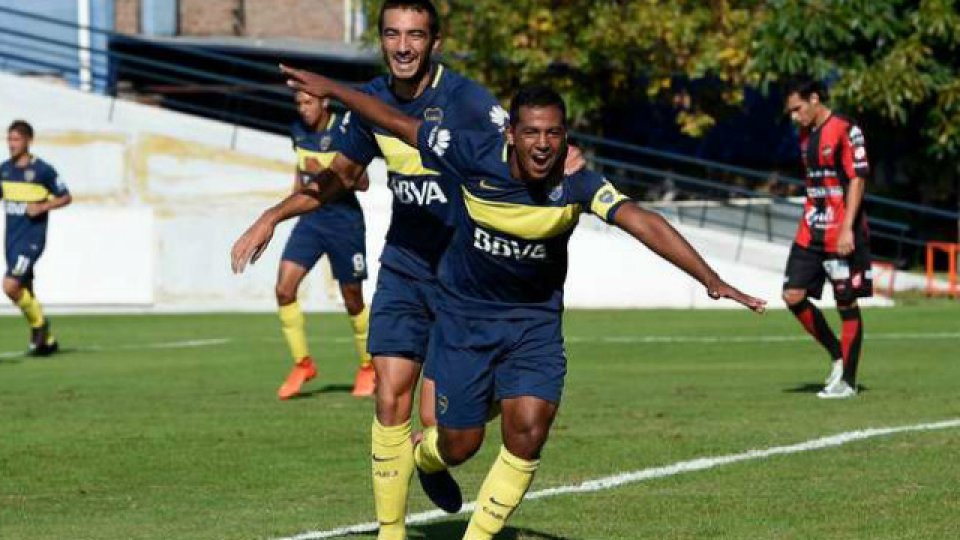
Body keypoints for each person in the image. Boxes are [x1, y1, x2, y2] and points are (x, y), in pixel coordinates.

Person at [280, 65, 766, 539]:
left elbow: (642, 220)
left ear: (566, 136)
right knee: (459, 444)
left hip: (533, 327)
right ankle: (425, 456)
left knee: (529, 430)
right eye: (531, 132)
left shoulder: (578, 184)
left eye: (553, 133)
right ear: (511, 132)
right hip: (464, 322)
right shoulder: (471, 154)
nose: (542, 144)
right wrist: (336, 91)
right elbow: (396, 122)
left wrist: (711, 279)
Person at [231, 2, 583, 538]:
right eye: (393, 34)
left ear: (434, 43)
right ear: (381, 40)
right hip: (404, 268)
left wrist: (566, 161)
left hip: (468, 286)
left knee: (457, 437)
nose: (403, 46)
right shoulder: (368, 101)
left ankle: (431, 459)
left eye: (415, 35)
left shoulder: (468, 102)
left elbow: (519, 154)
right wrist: (273, 216)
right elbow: (341, 176)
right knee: (389, 394)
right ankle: (390, 532)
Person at [275, 91, 374, 400]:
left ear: (324, 103)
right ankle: (302, 364)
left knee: (352, 299)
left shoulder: (344, 129)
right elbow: (300, 170)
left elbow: (364, 182)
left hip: (344, 223)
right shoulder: (298, 131)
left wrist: (326, 170)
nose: (303, 109)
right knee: (284, 289)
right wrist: (292, 201)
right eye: (299, 104)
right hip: (311, 220)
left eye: (308, 103)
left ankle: (368, 367)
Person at [782, 79, 872, 399]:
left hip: (840, 232)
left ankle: (847, 381)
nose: (794, 116)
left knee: (846, 303)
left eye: (798, 108)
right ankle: (837, 356)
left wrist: (848, 228)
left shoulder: (847, 129)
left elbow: (857, 179)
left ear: (815, 99)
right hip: (811, 230)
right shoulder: (805, 136)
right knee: (792, 295)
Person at [1, 120, 72, 356]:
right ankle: (47, 341)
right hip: (11, 240)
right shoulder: (4, 170)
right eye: (9, 139)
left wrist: (43, 207)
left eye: (16, 139)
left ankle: (40, 326)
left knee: (10, 286)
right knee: (25, 291)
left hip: (31, 240)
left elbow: (65, 196)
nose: (11, 144)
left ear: (28, 141)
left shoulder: (42, 170)